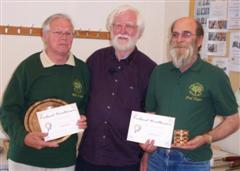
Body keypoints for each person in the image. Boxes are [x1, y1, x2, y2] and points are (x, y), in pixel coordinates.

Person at [141, 17, 240, 171]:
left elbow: (233, 120)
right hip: (158, 158)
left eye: (186, 34)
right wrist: (147, 153)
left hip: (193, 162)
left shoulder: (215, 76)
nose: (179, 40)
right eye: (175, 34)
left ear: (199, 40)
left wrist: (207, 138)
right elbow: (151, 114)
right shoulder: (159, 72)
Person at [0, 13, 89, 171]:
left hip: (63, 161)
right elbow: (7, 110)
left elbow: (85, 106)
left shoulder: (82, 70)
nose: (64, 37)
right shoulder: (28, 68)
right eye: (58, 32)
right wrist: (24, 137)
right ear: (45, 36)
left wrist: (82, 118)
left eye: (68, 33)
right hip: (25, 159)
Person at [75, 5, 156, 171]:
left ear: (139, 32)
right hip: (89, 157)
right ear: (110, 29)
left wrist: (147, 155)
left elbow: (152, 114)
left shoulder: (150, 69)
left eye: (129, 26)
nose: (123, 30)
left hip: (126, 160)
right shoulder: (95, 60)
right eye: (118, 25)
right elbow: (81, 98)